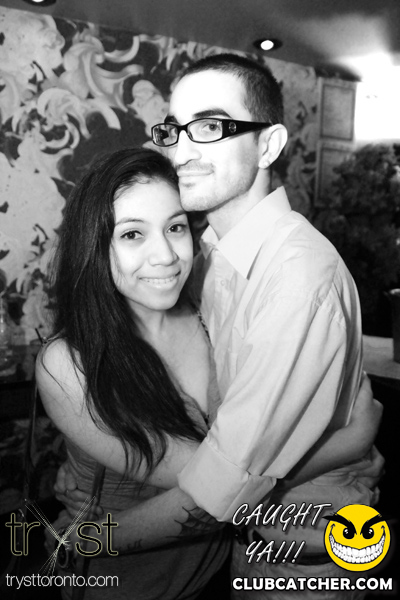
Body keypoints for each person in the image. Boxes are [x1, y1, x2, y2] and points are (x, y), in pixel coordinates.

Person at [53, 55, 383, 598]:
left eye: (209, 126)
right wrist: (348, 438)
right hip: (239, 554)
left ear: (269, 146)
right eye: (175, 129)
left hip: (308, 561)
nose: (181, 151)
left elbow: (221, 490)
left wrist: (82, 540)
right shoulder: (204, 257)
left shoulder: (297, 278)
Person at [36, 147, 231, 600]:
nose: (165, 255)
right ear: (94, 246)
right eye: (132, 234)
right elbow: (222, 486)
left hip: (219, 575)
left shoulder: (214, 314)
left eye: (175, 227)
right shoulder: (69, 363)